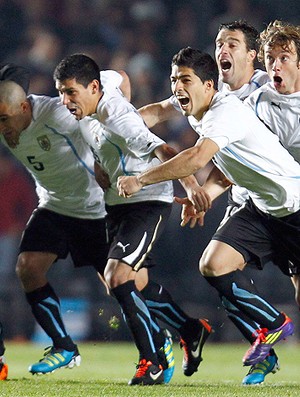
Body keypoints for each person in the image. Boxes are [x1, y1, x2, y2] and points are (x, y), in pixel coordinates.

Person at [117, 47, 299, 376]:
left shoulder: (224, 111)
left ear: (209, 85)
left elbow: (197, 159)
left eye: (185, 80)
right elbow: (155, 111)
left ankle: (273, 329)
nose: (177, 87)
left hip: (294, 206)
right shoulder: (193, 102)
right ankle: (273, 323)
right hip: (260, 206)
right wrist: (115, 125)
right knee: (213, 265)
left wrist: (140, 180)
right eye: (174, 80)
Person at [53, 53, 212, 385]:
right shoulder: (100, 90)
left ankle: (151, 361)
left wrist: (194, 189)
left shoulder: (118, 118)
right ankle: (190, 328)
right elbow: (121, 75)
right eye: (61, 92)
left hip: (147, 200)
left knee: (118, 276)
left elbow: (164, 150)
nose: (64, 100)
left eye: (70, 92)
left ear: (93, 87)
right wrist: (101, 164)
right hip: (116, 203)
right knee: (132, 284)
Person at [0, 66, 129, 376]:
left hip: (95, 208)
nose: (2, 127)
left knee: (121, 284)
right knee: (28, 267)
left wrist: (108, 153)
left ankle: (158, 336)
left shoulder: (58, 113)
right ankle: (64, 346)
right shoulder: (6, 121)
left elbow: (119, 78)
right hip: (55, 205)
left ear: (24, 107)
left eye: (5, 118)